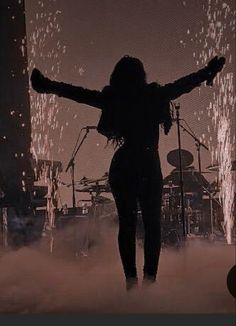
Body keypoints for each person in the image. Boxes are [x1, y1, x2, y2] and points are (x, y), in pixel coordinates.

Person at [31, 55, 225, 291]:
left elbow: (78, 93)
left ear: (116, 78)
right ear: (142, 76)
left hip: (123, 164)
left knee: (127, 224)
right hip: (148, 164)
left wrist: (48, 85)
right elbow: (184, 85)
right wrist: (208, 71)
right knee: (153, 225)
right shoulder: (154, 95)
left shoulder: (113, 99)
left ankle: (131, 283)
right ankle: (149, 282)